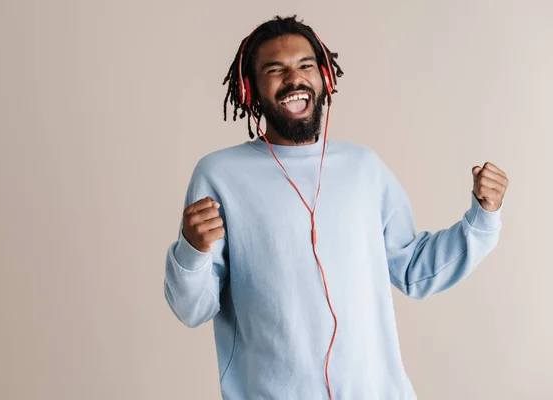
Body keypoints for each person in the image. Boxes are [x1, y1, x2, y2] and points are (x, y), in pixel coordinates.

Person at [163, 15, 508, 400]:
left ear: (325, 78)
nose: (294, 78)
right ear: (250, 90)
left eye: (305, 65)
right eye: (275, 70)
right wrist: (191, 252)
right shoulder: (219, 174)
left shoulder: (364, 167)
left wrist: (482, 216)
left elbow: (414, 270)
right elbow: (192, 309)